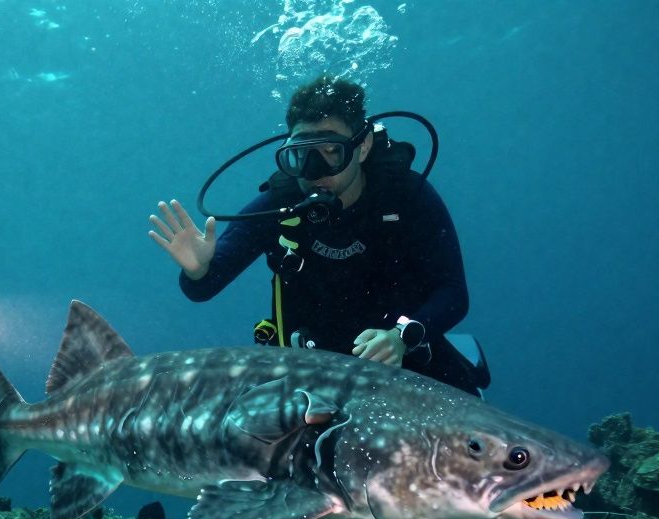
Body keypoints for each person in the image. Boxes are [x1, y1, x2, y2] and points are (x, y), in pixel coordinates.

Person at [148, 75, 485, 394]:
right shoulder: (280, 205)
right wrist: (197, 270)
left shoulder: (407, 197)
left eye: (330, 152)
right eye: (301, 155)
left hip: (405, 359)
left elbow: (454, 294)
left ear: (363, 146)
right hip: (312, 373)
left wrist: (402, 336)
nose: (313, 172)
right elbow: (204, 288)